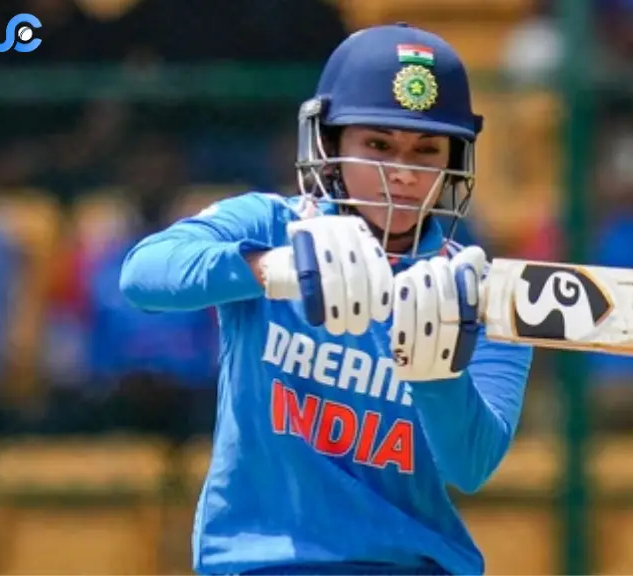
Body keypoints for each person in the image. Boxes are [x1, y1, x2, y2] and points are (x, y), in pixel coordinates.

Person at [119, 24, 534, 576]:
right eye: (378, 146)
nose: (402, 174)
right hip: (258, 562)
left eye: (426, 150)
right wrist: (272, 268)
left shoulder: (478, 290)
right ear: (330, 145)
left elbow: (471, 465)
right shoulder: (271, 224)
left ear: (453, 159)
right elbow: (142, 275)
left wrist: (437, 375)